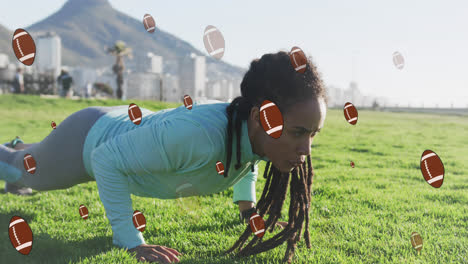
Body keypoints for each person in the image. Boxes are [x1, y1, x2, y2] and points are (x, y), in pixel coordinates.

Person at [0, 51, 328, 263]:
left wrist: (248, 211)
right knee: (19, 172)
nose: (306, 149)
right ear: (262, 118)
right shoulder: (199, 138)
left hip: (129, 127)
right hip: (87, 140)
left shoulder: (251, 133)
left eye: (312, 134)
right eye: (298, 132)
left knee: (30, 159)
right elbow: (105, 159)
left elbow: (248, 161)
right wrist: (131, 242)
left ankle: (22, 147)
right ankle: (12, 153)